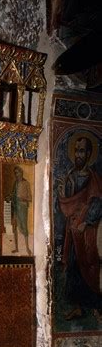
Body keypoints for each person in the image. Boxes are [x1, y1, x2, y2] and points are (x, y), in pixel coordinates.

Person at [58, 134, 102, 321]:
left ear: (89, 153)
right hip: (73, 230)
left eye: (82, 151)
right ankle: (77, 306)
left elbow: (97, 202)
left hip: (87, 231)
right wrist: (61, 194)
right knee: (74, 267)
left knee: (90, 265)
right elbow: (66, 203)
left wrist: (87, 221)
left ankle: (95, 307)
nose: (78, 154)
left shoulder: (94, 178)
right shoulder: (70, 176)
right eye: (76, 150)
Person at [7, 165, 32, 255]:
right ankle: (16, 248)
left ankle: (27, 248)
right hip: (15, 207)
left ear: (21, 173)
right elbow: (13, 195)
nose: (17, 175)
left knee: (24, 227)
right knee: (14, 227)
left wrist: (22, 199)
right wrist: (10, 197)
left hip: (22, 208)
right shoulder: (15, 183)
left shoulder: (26, 183)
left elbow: (30, 198)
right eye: (15, 173)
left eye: (18, 173)